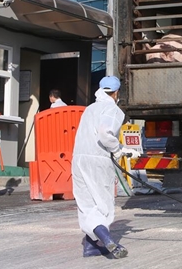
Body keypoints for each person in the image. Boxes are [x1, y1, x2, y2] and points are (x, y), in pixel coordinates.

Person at [71, 75, 140, 259]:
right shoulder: (113, 109)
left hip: (78, 160)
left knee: (86, 203)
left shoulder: (89, 109)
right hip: (98, 161)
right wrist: (119, 149)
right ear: (116, 92)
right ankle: (106, 238)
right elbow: (105, 133)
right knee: (102, 204)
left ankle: (91, 246)